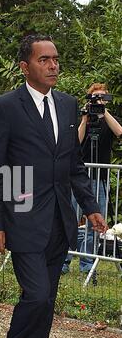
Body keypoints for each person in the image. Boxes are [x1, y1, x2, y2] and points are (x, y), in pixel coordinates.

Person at [0, 34, 107, 338]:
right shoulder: (6, 107)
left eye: (55, 59)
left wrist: (90, 204)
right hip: (21, 222)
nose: (53, 65)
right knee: (35, 296)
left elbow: (73, 165)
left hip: (59, 223)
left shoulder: (68, 106)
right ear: (25, 67)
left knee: (44, 306)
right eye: (44, 60)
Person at [62, 83, 122, 275]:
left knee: (95, 223)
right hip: (80, 178)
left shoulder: (108, 120)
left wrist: (104, 112)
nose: (98, 101)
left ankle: (87, 265)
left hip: (100, 179)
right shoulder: (83, 120)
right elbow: (75, 143)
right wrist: (84, 118)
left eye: (102, 97)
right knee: (71, 219)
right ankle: (64, 261)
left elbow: (120, 132)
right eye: (94, 98)